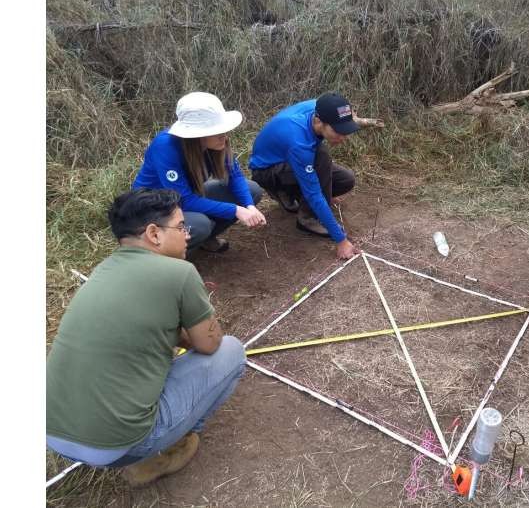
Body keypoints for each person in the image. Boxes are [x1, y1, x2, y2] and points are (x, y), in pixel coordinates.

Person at [46, 188, 247, 487]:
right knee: (231, 351)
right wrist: (185, 329)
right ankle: (160, 453)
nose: (187, 234)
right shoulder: (179, 272)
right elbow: (209, 344)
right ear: (154, 233)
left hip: (51, 431)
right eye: (181, 227)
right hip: (117, 446)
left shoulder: (102, 270)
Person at [133, 92, 266, 253]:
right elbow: (184, 200)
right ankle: (163, 258)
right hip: (154, 210)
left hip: (185, 199)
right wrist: (236, 210)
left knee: (252, 190)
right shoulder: (166, 147)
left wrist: (249, 206)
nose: (224, 135)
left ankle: (205, 239)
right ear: (198, 134)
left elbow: (235, 175)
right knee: (200, 224)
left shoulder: (216, 143)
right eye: (217, 131)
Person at [249, 92, 360, 260]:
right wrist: (341, 240)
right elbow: (313, 194)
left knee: (346, 180)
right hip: (267, 171)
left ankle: (295, 196)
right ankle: (306, 218)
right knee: (321, 157)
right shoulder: (299, 143)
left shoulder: (322, 107)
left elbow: (342, 112)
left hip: (288, 160)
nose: (343, 137)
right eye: (338, 131)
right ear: (318, 121)